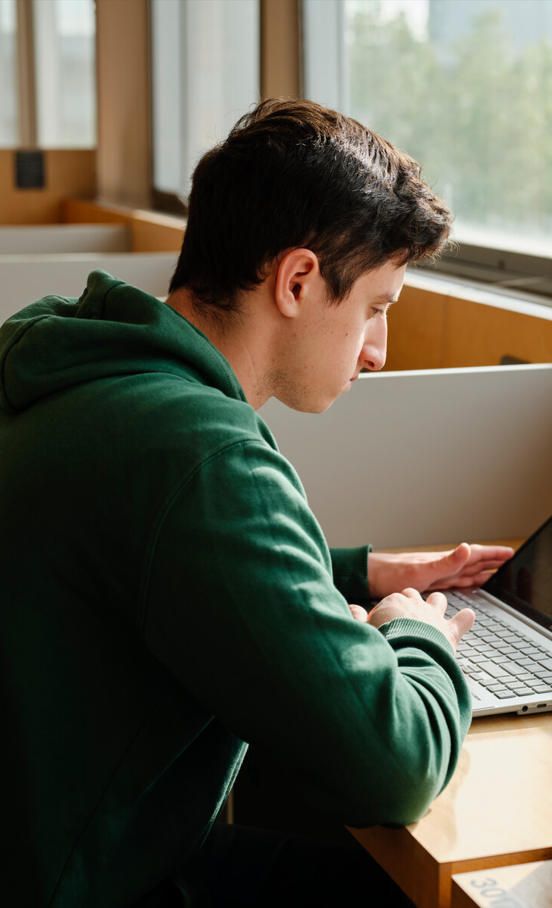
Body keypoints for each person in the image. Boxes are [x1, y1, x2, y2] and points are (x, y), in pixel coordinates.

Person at [0, 99, 512, 908]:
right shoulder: (200, 451)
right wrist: (420, 636)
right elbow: (393, 767)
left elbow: (142, 554)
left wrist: (357, 573)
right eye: (375, 308)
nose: (378, 352)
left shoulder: (73, 363)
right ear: (298, 279)